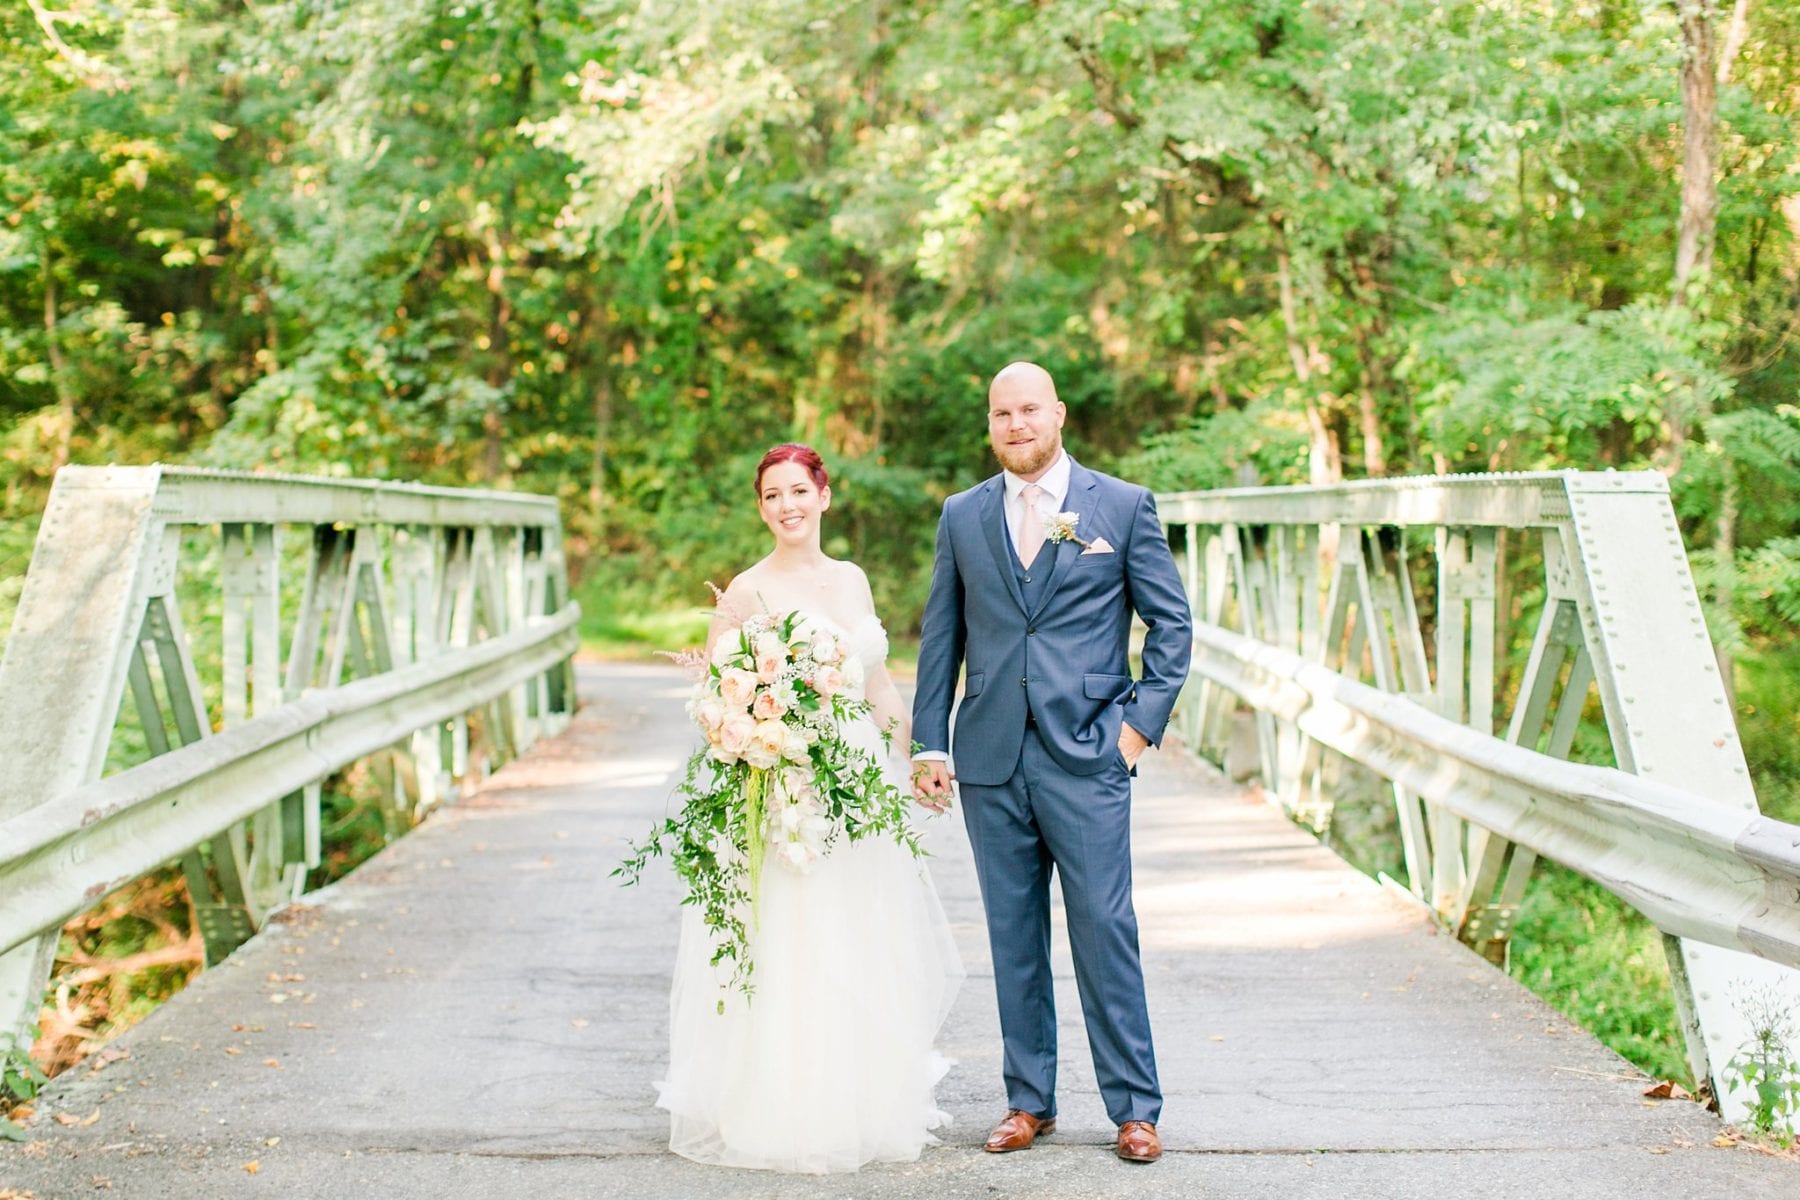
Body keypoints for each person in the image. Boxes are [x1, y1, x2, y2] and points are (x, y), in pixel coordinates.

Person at [911, 362, 1192, 1164]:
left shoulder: (1123, 506)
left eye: (1028, 409)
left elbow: (1170, 629)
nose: (1015, 424)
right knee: (1013, 934)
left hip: (1090, 752)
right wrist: (930, 740)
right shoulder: (964, 515)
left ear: (1058, 414)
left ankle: (1135, 1108)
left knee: (1105, 926)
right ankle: (1028, 1099)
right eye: (1001, 412)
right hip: (992, 754)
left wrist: (1135, 731)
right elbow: (942, 638)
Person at [656, 443, 964, 1174]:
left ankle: (858, 1099)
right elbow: (715, 703)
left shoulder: (852, 579)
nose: (787, 505)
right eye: (772, 496)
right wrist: (765, 735)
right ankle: (782, 1109)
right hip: (781, 787)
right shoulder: (743, 592)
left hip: (855, 787)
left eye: (799, 490)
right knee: (790, 940)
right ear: (760, 508)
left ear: (825, 495)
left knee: (857, 936)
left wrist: (920, 756)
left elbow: (879, 686)